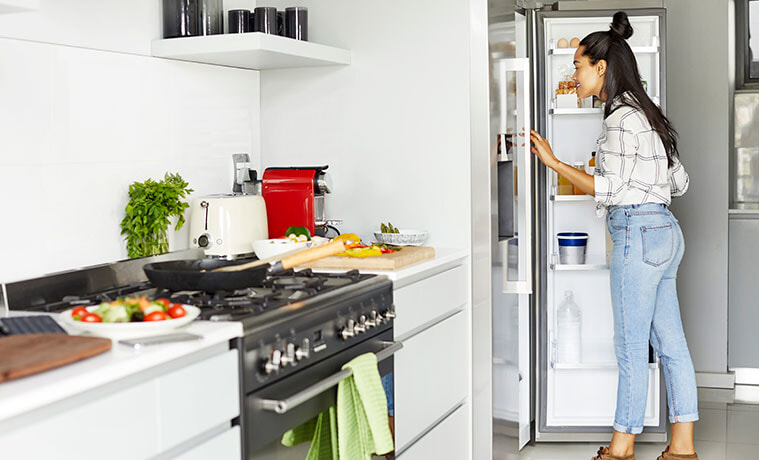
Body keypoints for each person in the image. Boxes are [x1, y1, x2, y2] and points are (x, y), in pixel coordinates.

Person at [527, 11, 699, 460]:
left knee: (630, 344)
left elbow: (613, 188)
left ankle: (621, 447)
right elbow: (679, 183)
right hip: (666, 232)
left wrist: (555, 163)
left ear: (601, 67)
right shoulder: (648, 112)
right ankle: (682, 447)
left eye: (579, 65)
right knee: (672, 344)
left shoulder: (620, 118)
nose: (574, 74)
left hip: (637, 233)